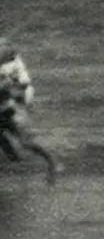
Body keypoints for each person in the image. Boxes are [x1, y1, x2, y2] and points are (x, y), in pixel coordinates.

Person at [0, 43, 60, 182]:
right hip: (7, 108)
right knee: (11, 141)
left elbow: (16, 89)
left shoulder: (9, 74)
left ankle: (51, 163)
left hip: (8, 110)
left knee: (24, 142)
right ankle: (16, 162)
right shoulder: (7, 71)